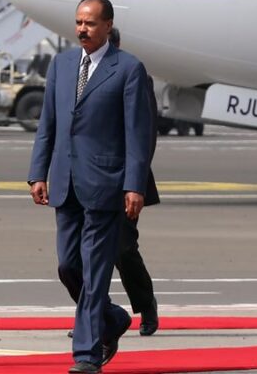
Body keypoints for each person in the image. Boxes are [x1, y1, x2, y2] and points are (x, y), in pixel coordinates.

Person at [28, 0, 153, 374]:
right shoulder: (61, 65)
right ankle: (112, 319)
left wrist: (135, 185)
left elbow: (139, 134)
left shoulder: (129, 68)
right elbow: (47, 124)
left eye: (90, 23)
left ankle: (87, 354)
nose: (82, 28)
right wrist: (38, 172)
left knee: (96, 270)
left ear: (108, 26)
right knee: (68, 266)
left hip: (106, 184)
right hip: (65, 182)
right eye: (79, 22)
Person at [66, 28, 161, 340]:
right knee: (79, 256)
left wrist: (134, 182)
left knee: (122, 249)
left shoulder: (133, 73)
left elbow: (143, 133)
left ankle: (145, 306)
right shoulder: (77, 75)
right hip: (84, 180)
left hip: (121, 180)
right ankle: (96, 315)